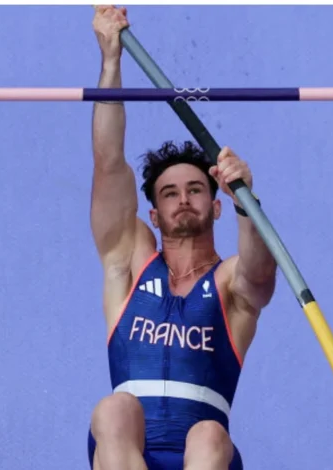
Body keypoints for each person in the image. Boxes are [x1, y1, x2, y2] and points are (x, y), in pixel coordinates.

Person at [88, 6, 276, 470]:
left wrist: (244, 200)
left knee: (210, 434)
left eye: (195, 189)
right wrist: (112, 63)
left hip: (204, 458)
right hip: (126, 452)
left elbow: (260, 271)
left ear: (214, 206)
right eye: (170, 194)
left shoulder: (229, 284)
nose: (183, 200)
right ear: (153, 213)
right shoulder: (129, 261)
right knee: (114, 408)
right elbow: (109, 164)